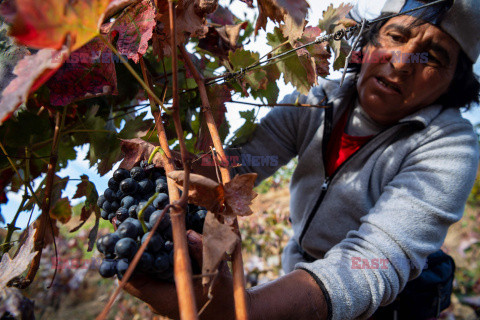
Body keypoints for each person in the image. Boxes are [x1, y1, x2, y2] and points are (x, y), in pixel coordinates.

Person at [124, 0, 480, 319]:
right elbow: (238, 163)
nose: (402, 62)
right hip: (297, 275)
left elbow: (376, 260)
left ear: (454, 82)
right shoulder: (314, 102)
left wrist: (247, 310)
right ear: (367, 42)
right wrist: (162, 173)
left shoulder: (450, 146)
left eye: (432, 57)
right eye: (396, 37)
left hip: (375, 306)